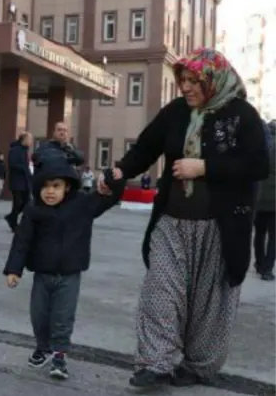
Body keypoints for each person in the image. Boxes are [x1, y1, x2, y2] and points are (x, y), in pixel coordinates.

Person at [97, 48, 269, 388]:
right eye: (183, 81)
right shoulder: (175, 112)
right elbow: (145, 149)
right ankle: (156, 363)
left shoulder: (242, 115)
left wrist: (205, 167)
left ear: (213, 81)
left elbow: (258, 165)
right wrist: (119, 170)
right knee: (160, 288)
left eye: (194, 81)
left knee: (209, 301)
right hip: (172, 222)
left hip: (219, 228)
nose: (186, 88)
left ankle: (197, 366)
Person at [4, 159, 125, 380]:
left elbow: (109, 198)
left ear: (67, 186)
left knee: (63, 317)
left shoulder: (82, 204)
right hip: (42, 274)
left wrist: (114, 180)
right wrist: (14, 269)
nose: (50, 192)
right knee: (39, 316)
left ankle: (59, 355)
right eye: (45, 186)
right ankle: (43, 347)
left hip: (70, 275)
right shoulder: (34, 210)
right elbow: (22, 241)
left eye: (56, 186)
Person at [254, 120, 276, 281]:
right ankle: (267, 269)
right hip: (274, 200)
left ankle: (259, 263)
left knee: (259, 233)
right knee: (274, 237)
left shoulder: (260, 146)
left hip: (259, 197)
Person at [3, 132, 33, 231]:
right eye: (29, 139)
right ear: (23, 139)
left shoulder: (25, 150)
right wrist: (25, 168)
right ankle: (13, 222)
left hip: (25, 181)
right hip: (17, 181)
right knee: (18, 202)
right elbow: (13, 164)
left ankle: (12, 217)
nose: (31, 142)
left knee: (26, 202)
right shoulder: (15, 149)